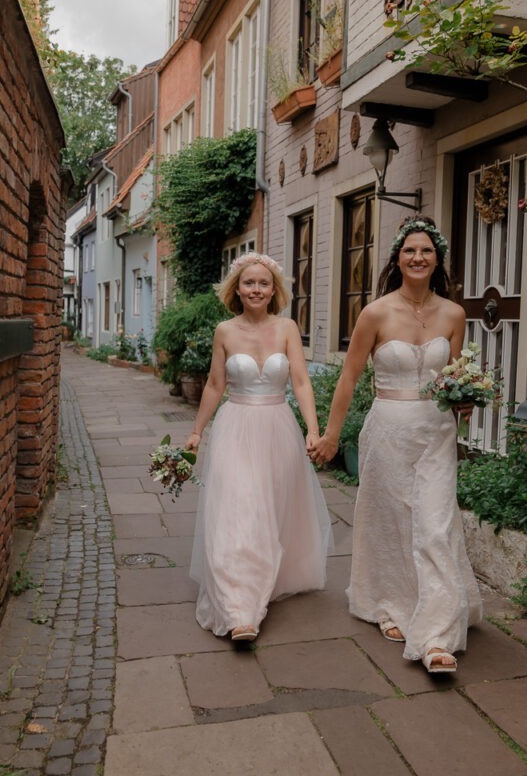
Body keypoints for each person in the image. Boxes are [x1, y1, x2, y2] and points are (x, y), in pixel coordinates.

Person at [309, 215, 483, 674]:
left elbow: (454, 379)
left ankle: (437, 635)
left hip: (437, 431)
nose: (418, 257)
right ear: (398, 259)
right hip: (388, 429)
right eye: (410, 250)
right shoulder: (376, 313)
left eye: (426, 250)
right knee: (391, 521)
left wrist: (465, 400)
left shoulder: (454, 314)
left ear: (437, 258)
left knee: (436, 524)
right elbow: (348, 377)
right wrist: (331, 435)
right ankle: (389, 603)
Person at [185, 251, 333, 642]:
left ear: (274, 290)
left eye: (263, 283)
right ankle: (240, 611)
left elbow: (300, 382)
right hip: (235, 426)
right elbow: (215, 385)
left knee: (268, 510)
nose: (256, 289)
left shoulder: (287, 328)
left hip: (277, 428)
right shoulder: (224, 331)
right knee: (239, 508)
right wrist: (198, 432)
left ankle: (259, 580)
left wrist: (312, 429)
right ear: (237, 288)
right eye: (248, 283)